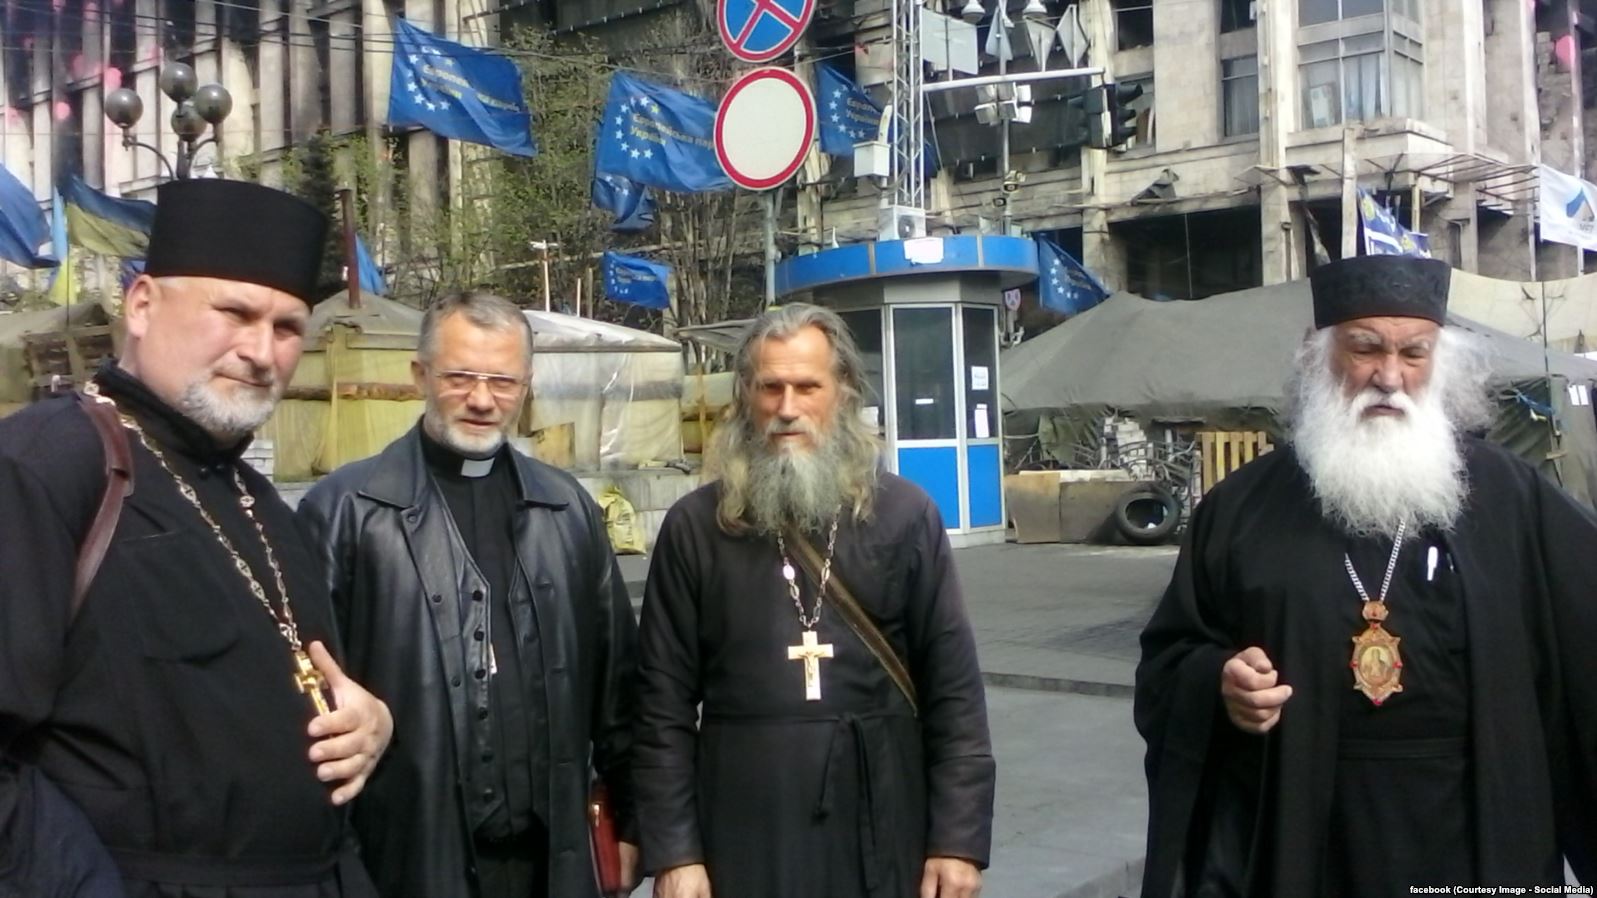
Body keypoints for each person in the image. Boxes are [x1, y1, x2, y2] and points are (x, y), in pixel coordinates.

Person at [1135, 255, 1597, 897]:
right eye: (1365, 349)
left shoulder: (1509, 496)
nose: (1389, 375)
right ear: (1319, 357)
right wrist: (1219, 681)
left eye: (1414, 354)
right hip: (1306, 826)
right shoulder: (1241, 508)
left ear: (1440, 364)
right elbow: (1169, 657)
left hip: (1478, 828)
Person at [0, 177, 393, 896]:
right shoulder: (47, 465)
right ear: (143, 304)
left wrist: (372, 721)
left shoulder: (260, 501)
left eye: (286, 328)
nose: (260, 351)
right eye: (234, 313)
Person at [635, 304, 996, 898]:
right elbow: (661, 707)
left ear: (843, 392)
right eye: (770, 388)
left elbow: (954, 691)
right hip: (742, 826)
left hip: (880, 815)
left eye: (807, 387)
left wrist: (956, 840)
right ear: (746, 395)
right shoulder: (695, 528)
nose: (787, 408)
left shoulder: (905, 516)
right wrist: (676, 852)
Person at [297, 291, 639, 898]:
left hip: (550, 864)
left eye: (503, 382)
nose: (482, 400)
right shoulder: (346, 512)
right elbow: (306, 704)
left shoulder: (568, 511)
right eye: (460, 378)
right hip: (409, 861)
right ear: (419, 374)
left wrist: (637, 823)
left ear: (526, 385)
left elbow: (619, 691)